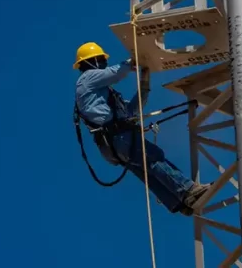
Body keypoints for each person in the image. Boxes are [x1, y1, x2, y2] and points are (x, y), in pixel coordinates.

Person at [74, 41, 210, 215]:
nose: (104, 64)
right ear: (93, 61)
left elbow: (132, 111)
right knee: (153, 158)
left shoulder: (100, 95)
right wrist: (134, 61)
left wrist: (144, 85)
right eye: (101, 60)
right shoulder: (87, 78)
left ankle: (178, 202)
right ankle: (188, 191)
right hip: (118, 138)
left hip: (112, 143)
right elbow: (116, 73)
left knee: (146, 171)